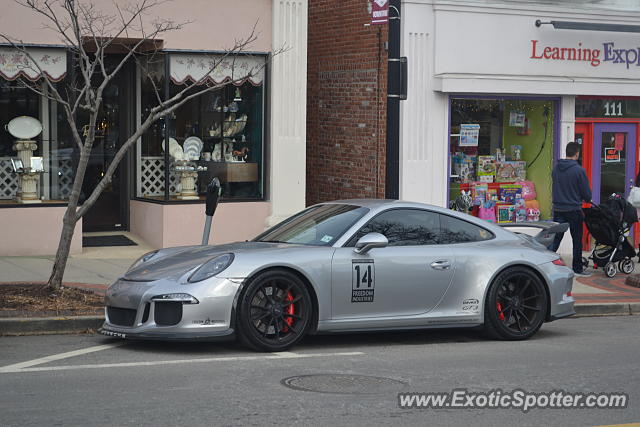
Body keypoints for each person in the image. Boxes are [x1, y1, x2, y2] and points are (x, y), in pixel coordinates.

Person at [549, 141, 593, 276]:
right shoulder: (579, 170)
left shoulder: (556, 168)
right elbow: (587, 194)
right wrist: (586, 198)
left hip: (558, 209)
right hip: (573, 209)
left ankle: (545, 264)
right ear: (577, 153)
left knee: (556, 239)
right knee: (577, 240)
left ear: (566, 152)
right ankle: (577, 268)